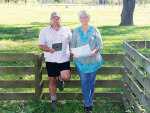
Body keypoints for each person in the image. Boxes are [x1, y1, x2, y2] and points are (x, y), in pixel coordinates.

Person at [70, 10, 103, 113]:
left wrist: (94, 51)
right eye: (81, 18)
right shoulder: (75, 30)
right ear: (79, 18)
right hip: (80, 61)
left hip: (93, 61)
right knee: (84, 82)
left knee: (91, 82)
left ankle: (88, 102)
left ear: (88, 18)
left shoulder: (95, 30)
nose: (83, 19)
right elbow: (72, 46)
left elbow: (100, 45)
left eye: (85, 17)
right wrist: (73, 54)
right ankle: (89, 106)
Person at [38, 12, 72, 111]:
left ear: (60, 20)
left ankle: (61, 79)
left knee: (66, 77)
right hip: (51, 60)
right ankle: (53, 101)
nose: (55, 20)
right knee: (52, 80)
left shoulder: (66, 30)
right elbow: (40, 45)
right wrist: (49, 49)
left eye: (58, 18)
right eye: (54, 18)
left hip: (64, 58)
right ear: (50, 19)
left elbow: (70, 41)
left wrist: (71, 50)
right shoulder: (44, 31)